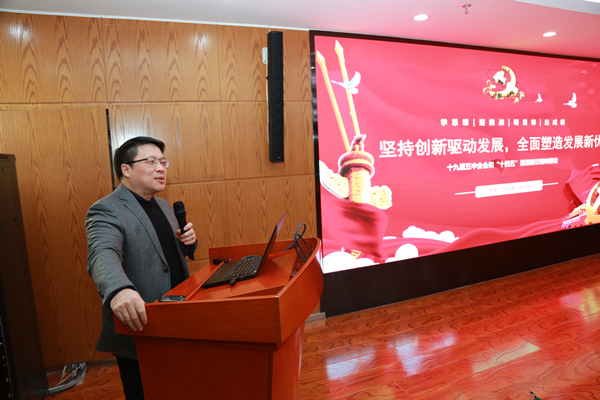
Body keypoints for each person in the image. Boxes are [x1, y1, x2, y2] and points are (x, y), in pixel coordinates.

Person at [86, 136, 197, 400]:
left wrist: (188, 243)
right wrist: (119, 290)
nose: (161, 168)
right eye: (151, 161)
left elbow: (166, 256)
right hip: (141, 325)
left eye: (163, 162)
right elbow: (103, 253)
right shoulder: (106, 209)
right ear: (126, 169)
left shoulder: (164, 205)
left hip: (177, 317)